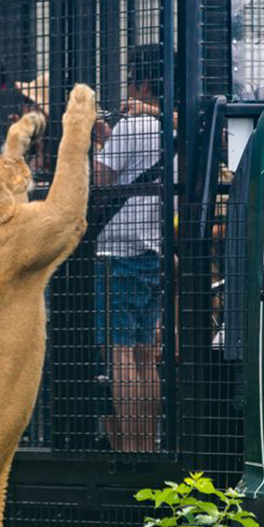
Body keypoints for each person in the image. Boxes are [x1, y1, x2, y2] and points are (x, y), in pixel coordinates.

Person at [92, 45, 166, 453]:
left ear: (139, 81)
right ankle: (148, 447)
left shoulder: (134, 126)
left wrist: (99, 146)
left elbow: (101, 180)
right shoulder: (169, 127)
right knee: (144, 356)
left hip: (118, 250)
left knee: (119, 355)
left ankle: (129, 451)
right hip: (153, 248)